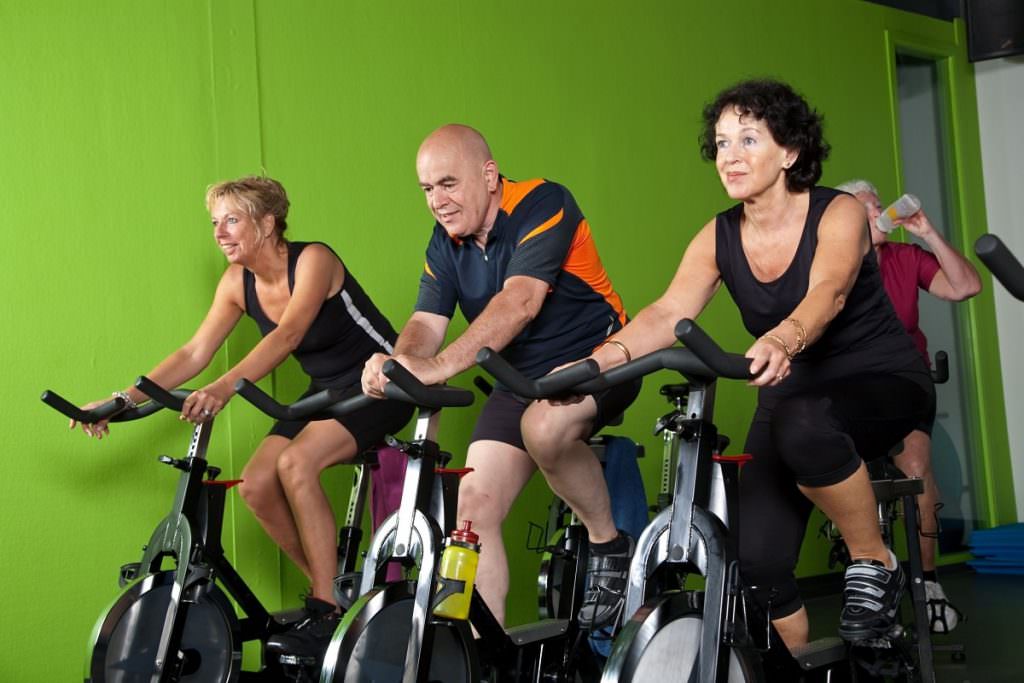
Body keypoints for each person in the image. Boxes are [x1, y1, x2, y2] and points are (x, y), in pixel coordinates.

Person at [577, 79, 935, 651]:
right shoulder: (720, 234)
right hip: (792, 396)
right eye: (721, 143)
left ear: (790, 152)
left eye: (748, 139)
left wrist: (784, 338)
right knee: (756, 567)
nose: (731, 156)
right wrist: (597, 364)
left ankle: (874, 560)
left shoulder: (837, 212)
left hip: (884, 382)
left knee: (805, 424)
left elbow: (830, 290)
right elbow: (669, 311)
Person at [70, 176, 413, 660]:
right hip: (323, 393)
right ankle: (333, 589)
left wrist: (223, 389)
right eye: (215, 222)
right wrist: (120, 400)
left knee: (295, 465)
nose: (219, 232)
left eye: (232, 220)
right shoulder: (237, 282)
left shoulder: (313, 260)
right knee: (255, 484)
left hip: (381, 385)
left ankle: (326, 608)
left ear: (268, 223)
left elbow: (288, 335)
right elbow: (194, 352)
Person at [361, 124, 641, 629]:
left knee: (545, 429)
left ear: (489, 175)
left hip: (597, 360)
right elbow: (426, 323)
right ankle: (477, 652)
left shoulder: (543, 201)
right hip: (520, 380)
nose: (437, 201)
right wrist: (400, 362)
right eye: (427, 189)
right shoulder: (446, 242)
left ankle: (609, 544)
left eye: (448, 183)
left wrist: (441, 366)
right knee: (471, 512)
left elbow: (519, 303)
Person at [837, 178, 980, 632]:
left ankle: (928, 584)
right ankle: (870, 573)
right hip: (852, 384)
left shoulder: (904, 257)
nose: (881, 212)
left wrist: (928, 232)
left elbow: (966, 286)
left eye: (880, 204)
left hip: (906, 379)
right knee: (836, 466)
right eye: (869, 208)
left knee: (916, 470)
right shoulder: (834, 267)